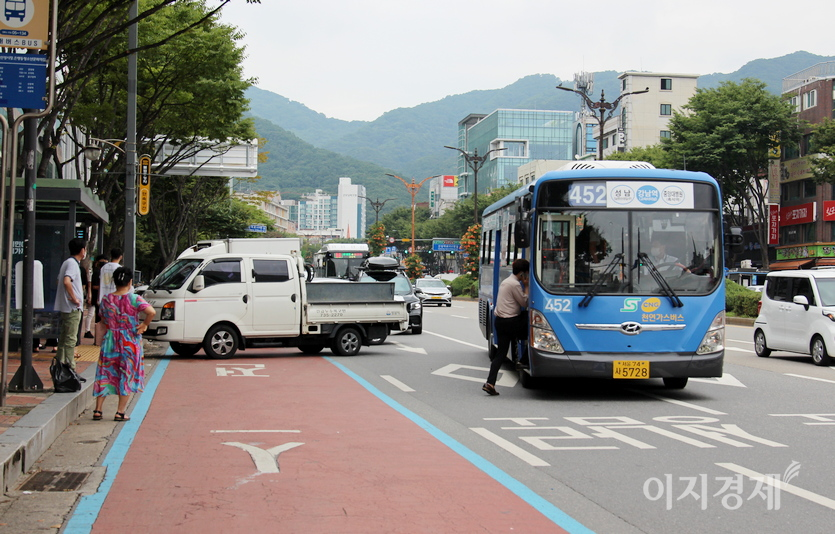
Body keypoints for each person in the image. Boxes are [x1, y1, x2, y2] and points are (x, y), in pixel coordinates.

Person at [92, 266, 156, 422]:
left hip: (110, 340)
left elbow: (103, 319)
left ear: (114, 281)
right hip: (129, 341)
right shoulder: (134, 299)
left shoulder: (106, 299)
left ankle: (98, 410)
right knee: (127, 374)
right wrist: (144, 324)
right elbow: (151, 312)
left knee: (105, 372)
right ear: (130, 282)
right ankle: (120, 412)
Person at [483, 258, 529, 396]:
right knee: (537, 332)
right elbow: (524, 303)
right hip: (511, 322)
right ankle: (523, 360)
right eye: (526, 273)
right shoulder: (514, 284)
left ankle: (490, 383)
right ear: (522, 273)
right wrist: (526, 286)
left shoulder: (506, 281)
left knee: (501, 353)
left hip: (500, 322)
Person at [54, 238, 87, 379]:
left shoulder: (67, 262)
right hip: (72, 308)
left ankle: (59, 367)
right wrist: (74, 298)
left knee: (63, 338)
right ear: (82, 250)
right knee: (70, 339)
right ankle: (70, 369)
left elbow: (59, 281)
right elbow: (66, 281)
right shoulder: (73, 264)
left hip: (65, 306)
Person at [84, 254, 108, 339]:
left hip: (95, 296)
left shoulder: (97, 271)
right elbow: (92, 285)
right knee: (91, 314)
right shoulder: (96, 272)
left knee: (92, 314)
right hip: (94, 296)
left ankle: (88, 331)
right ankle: (87, 331)